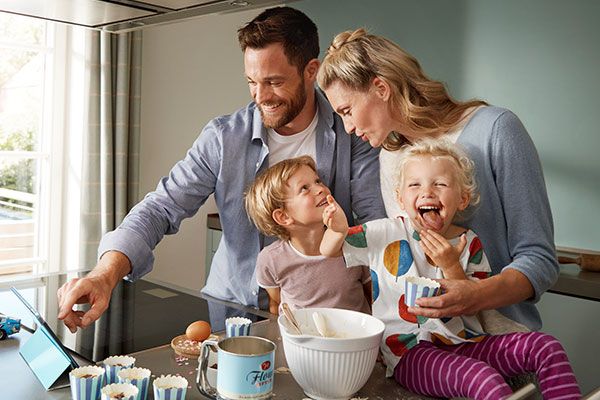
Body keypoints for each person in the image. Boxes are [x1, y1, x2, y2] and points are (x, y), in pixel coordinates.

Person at [57, 9, 385, 333]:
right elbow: (160, 208)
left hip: (325, 320)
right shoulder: (224, 138)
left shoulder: (352, 130)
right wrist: (104, 275)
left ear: (311, 70)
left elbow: (376, 226)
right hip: (234, 308)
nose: (261, 96)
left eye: (273, 82)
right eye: (252, 82)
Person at [316, 28, 559, 332]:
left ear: (380, 88)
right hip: (433, 347)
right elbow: (407, 256)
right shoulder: (391, 160)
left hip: (506, 343)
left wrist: (475, 295)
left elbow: (539, 259)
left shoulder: (495, 130)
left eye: (347, 111)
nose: (348, 127)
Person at [321, 138, 580, 399]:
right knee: (485, 380)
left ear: (462, 198)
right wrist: (337, 229)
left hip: (464, 342)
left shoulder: (470, 242)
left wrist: (451, 265)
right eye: (414, 184)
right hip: (409, 352)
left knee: (546, 347)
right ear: (400, 198)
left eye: (440, 184)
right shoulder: (383, 232)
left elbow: (473, 302)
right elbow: (330, 249)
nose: (427, 192)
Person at [244, 155, 372, 316]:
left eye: (317, 181)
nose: (321, 189)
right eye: (304, 188)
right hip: (304, 339)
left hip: (356, 338)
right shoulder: (270, 260)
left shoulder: (354, 243)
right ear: (283, 217)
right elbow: (276, 303)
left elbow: (373, 296)